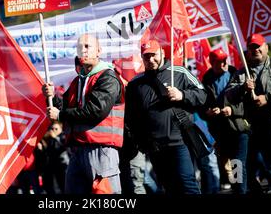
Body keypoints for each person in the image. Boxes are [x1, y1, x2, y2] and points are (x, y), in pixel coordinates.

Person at [42, 34, 124, 194]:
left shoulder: (108, 77)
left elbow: (96, 110)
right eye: (79, 47)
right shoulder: (77, 81)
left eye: (87, 46)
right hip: (78, 150)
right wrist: (50, 97)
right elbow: (63, 106)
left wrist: (60, 115)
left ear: (99, 51)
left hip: (101, 150)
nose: (83, 50)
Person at [125, 39, 207, 194]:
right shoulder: (136, 83)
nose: (150, 59)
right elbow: (131, 117)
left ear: (162, 52)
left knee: (187, 184)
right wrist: (141, 142)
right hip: (155, 147)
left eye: (153, 55)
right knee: (169, 187)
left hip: (179, 142)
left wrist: (181, 94)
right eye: (146, 56)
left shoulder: (180, 72)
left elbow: (202, 95)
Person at [225, 33, 271, 194]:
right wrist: (243, 88)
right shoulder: (241, 72)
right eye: (251, 47)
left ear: (266, 47)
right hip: (256, 127)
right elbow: (229, 94)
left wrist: (267, 98)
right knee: (264, 164)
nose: (255, 50)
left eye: (258, 46)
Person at [202, 48, 250, 194]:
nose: (223, 64)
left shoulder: (237, 74)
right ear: (211, 63)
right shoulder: (206, 80)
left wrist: (231, 110)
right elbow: (202, 105)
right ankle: (243, 188)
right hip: (220, 130)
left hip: (238, 126)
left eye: (224, 60)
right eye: (219, 62)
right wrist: (208, 112)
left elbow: (247, 102)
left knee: (238, 163)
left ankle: (241, 190)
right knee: (227, 166)